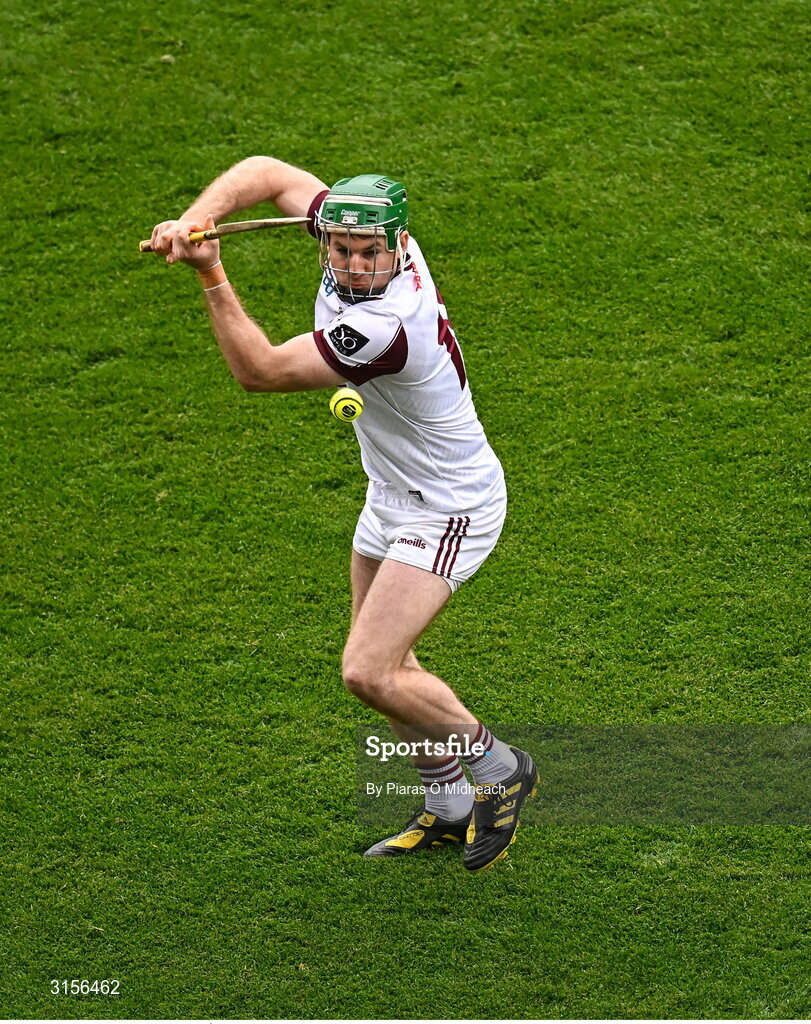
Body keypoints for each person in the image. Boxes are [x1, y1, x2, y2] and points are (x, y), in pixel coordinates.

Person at [149, 156, 538, 871]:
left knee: (367, 671)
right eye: (340, 248)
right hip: (390, 493)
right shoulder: (358, 233)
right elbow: (264, 171)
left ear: (398, 246)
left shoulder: (390, 325)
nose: (355, 263)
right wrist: (199, 216)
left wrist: (211, 271)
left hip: (449, 505)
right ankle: (447, 806)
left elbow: (258, 371)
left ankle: (498, 764)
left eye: (369, 251)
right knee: (393, 665)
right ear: (326, 236)